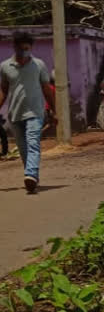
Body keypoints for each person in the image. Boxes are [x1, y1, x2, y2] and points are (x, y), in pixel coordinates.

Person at [0, 31, 54, 193]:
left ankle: (30, 174)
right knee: (23, 148)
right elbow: (3, 90)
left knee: (33, 144)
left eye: (27, 48)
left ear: (30, 48)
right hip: (15, 114)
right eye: (21, 48)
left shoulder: (39, 65)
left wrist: (54, 110)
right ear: (14, 47)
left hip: (35, 112)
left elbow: (46, 89)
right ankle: (31, 176)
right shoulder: (5, 66)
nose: (24, 51)